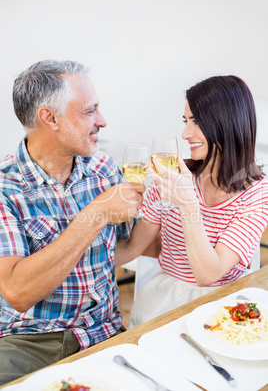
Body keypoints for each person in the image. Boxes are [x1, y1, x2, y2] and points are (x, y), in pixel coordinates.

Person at [0, 60, 145, 385]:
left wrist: (179, 201)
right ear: (49, 118)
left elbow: (126, 248)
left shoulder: (103, 169)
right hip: (28, 340)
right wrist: (96, 214)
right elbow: (17, 292)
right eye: (89, 111)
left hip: (104, 331)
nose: (102, 121)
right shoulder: (5, 188)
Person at [115, 75, 268, 328]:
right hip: (164, 301)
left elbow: (208, 275)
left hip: (221, 306)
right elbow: (132, 249)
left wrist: (187, 205)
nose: (185, 134)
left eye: (196, 122)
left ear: (227, 122)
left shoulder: (257, 193)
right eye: (186, 121)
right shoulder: (172, 176)